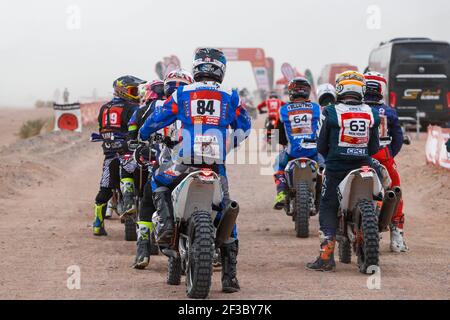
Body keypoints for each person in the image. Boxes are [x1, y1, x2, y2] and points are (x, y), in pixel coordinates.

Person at [139, 48, 251, 292]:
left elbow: (158, 118)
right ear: (221, 70)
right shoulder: (230, 96)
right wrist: (228, 144)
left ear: (196, 67)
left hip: (185, 160)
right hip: (215, 165)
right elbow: (244, 125)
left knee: (157, 181)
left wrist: (143, 133)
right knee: (225, 208)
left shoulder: (181, 93)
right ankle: (229, 276)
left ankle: (167, 224)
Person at [306, 71, 380, 272]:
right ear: (361, 89)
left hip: (337, 167)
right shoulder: (371, 112)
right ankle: (384, 225)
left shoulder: (330, 111)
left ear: (340, 89)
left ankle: (326, 256)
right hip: (364, 164)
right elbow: (374, 147)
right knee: (378, 194)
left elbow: (321, 145)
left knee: (328, 205)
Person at [132, 71, 193, 269]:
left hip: (166, 166)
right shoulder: (193, 105)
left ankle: (142, 249)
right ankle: (218, 250)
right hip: (196, 164)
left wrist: (140, 141)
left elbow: (142, 130)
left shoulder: (158, 106)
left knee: (148, 201)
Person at [93, 75, 145, 236]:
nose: (137, 93)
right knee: (145, 181)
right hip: (128, 152)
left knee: (105, 188)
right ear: (123, 91)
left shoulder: (104, 108)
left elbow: (102, 128)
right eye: (133, 90)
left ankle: (97, 224)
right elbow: (137, 128)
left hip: (109, 154)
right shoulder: (132, 108)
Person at [364, 71, 407, 253]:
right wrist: (389, 154)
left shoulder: (355, 109)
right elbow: (398, 139)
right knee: (395, 189)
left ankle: (331, 233)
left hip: (356, 157)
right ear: (381, 89)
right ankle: (396, 232)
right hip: (383, 157)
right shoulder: (389, 111)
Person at [273, 77, 321, 210]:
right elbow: (322, 130)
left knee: (278, 166)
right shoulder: (316, 108)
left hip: (292, 152)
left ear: (291, 92)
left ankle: (281, 192)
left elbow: (278, 135)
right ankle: (324, 194)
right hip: (313, 152)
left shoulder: (283, 110)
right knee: (324, 169)